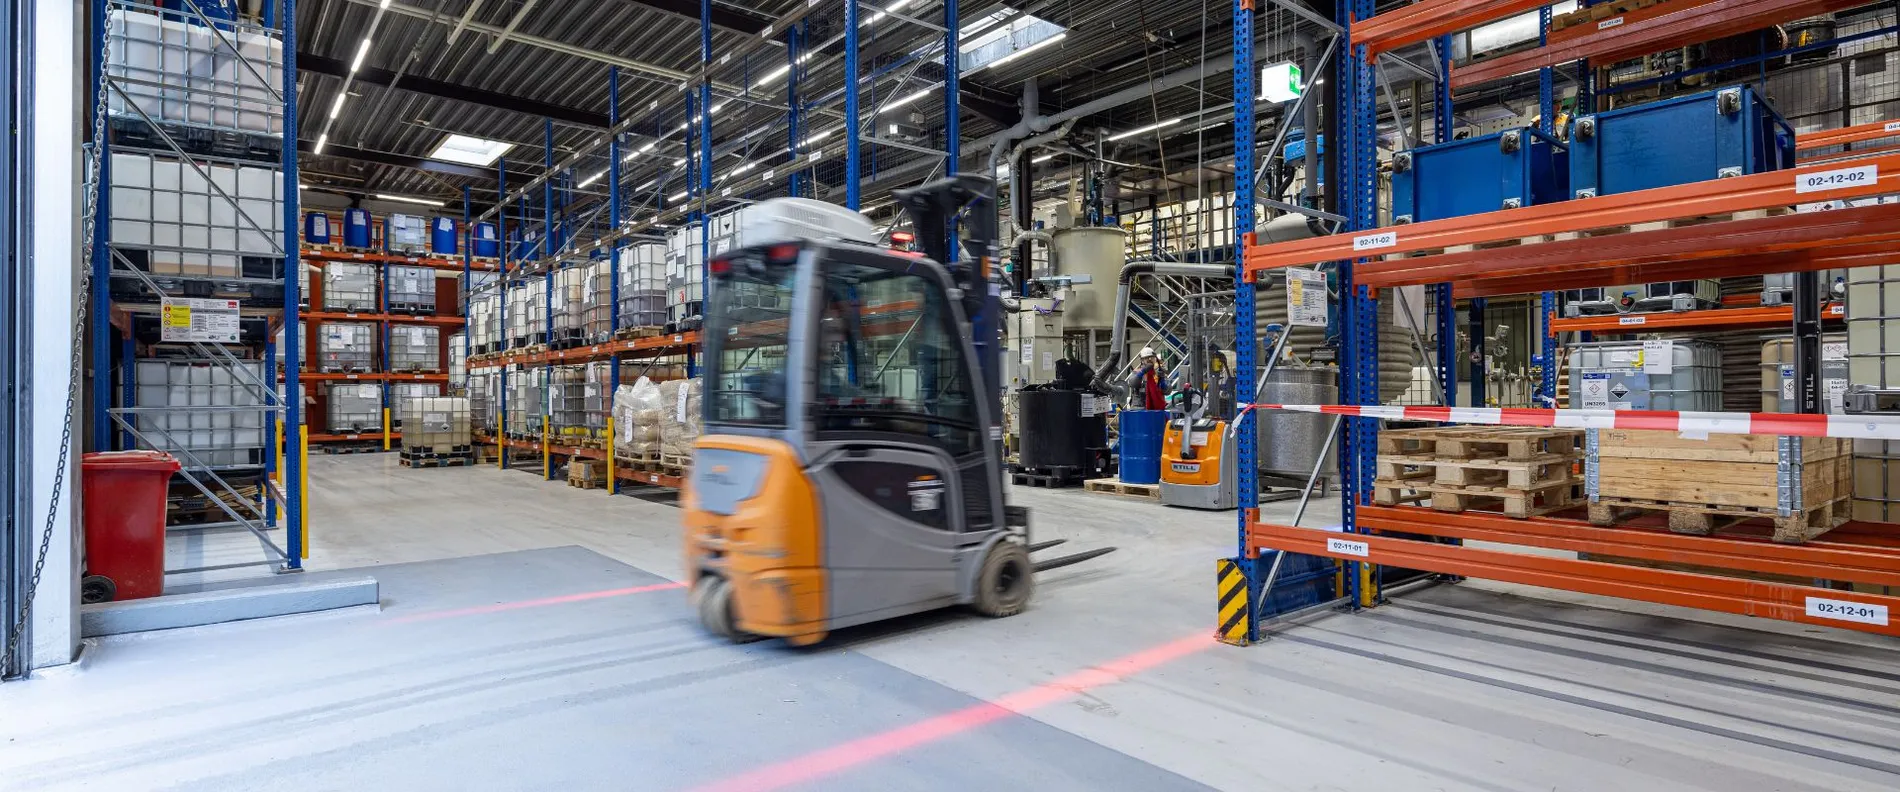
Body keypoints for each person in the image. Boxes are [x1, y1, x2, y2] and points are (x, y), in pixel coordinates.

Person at [1126, 347, 1170, 411]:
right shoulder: (1137, 372)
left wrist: (1162, 382)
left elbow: (1168, 391)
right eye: (1147, 358)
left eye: (1152, 358)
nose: (1150, 360)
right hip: (1139, 409)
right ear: (1142, 360)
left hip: (1156, 409)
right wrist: (1143, 372)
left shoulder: (1159, 372)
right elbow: (1132, 383)